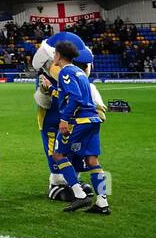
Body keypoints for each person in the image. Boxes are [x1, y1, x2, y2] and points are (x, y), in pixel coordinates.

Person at [42, 40, 110, 215]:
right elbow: (69, 96)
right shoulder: (79, 72)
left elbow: (75, 97)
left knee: (58, 154)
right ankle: (103, 202)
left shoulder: (65, 72)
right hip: (92, 120)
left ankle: (79, 194)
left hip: (77, 121)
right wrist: (51, 90)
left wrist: (64, 119)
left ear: (58, 55)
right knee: (92, 161)